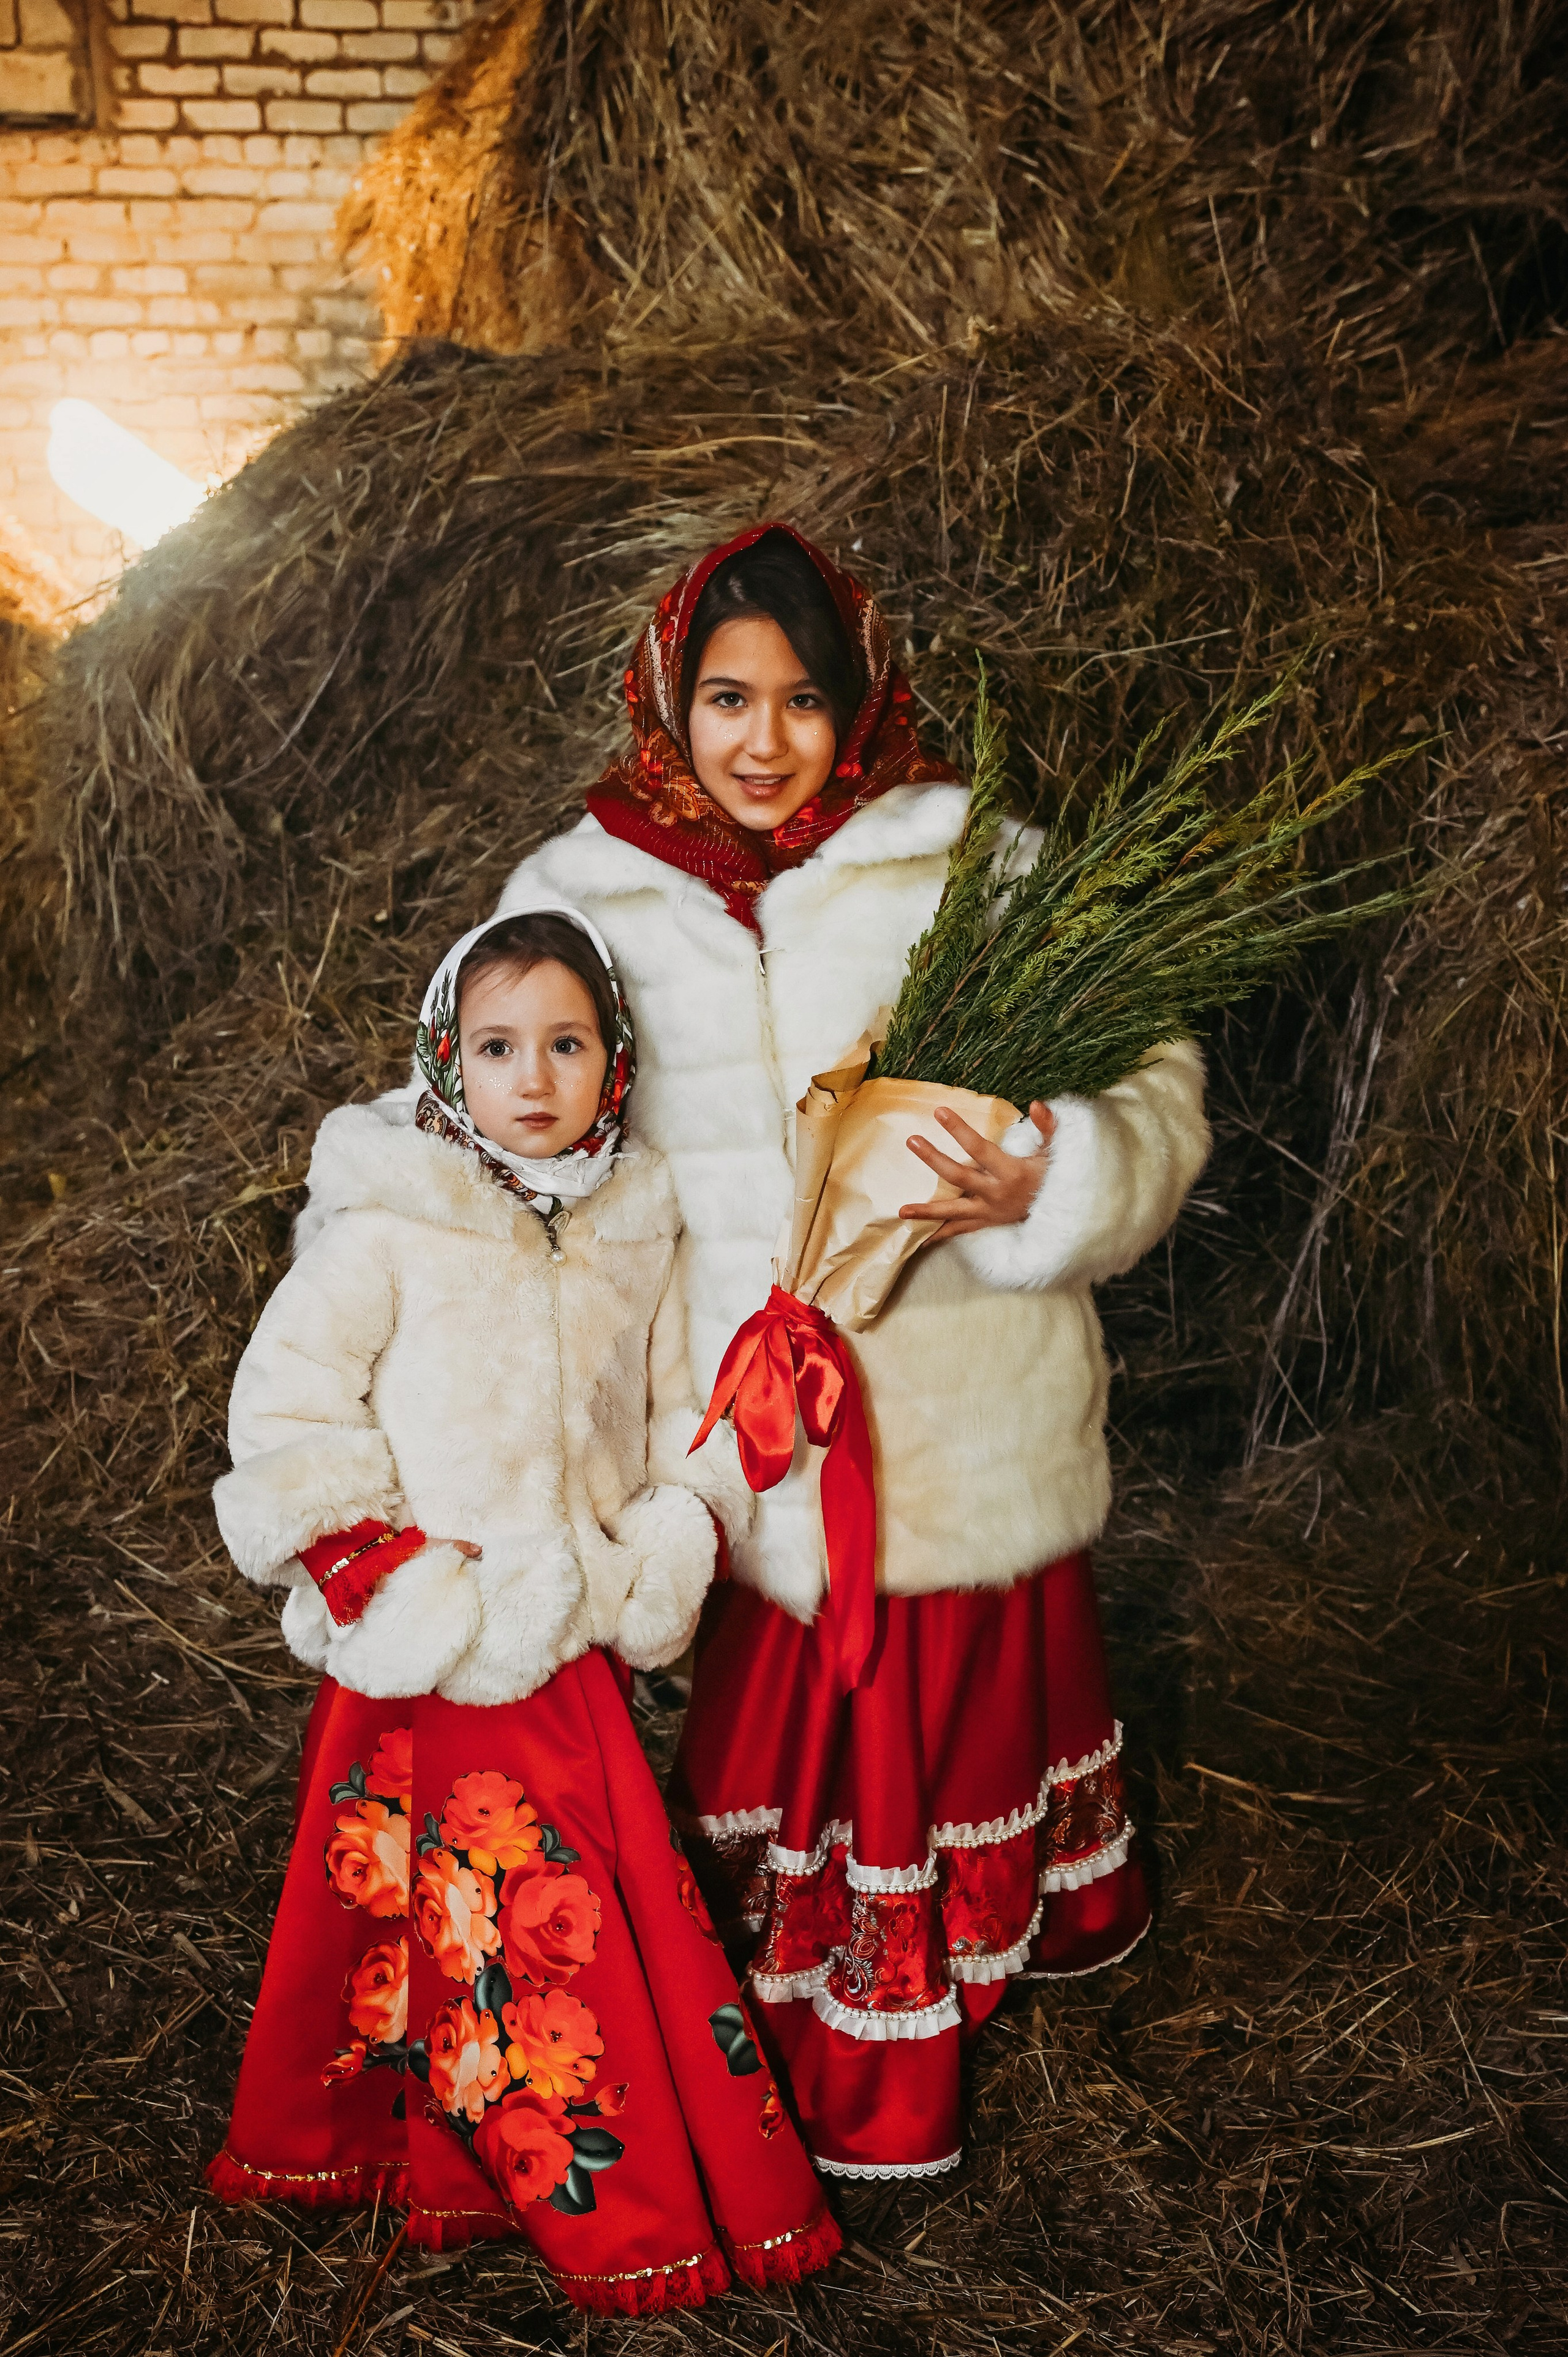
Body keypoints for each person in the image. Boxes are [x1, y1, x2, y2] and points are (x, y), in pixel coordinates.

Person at [497, 527, 1210, 2184]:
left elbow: (1160, 1076)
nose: (762, 741)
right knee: (753, 1750)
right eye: (728, 697)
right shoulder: (578, 896)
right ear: (671, 694)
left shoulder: (975, 862)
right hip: (729, 1443)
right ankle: (765, 2032)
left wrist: (1062, 1168)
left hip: (954, 1418)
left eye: (802, 699)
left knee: (936, 1713)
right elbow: (496, 1099)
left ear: (859, 698)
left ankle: (937, 2009)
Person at [204, 902, 840, 2313]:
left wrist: (673, 1527)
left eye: (565, 1043)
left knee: (564, 1915)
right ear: (447, 1059)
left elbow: (676, 1402)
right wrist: (392, 1576)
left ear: (612, 1062)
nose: (534, 1078)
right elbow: (289, 1409)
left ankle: (577, 2179)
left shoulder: (633, 1218)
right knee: (399, 1906)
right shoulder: (388, 1224)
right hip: (426, 1632)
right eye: (499, 1047)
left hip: (563, 1632)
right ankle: (394, 2149)